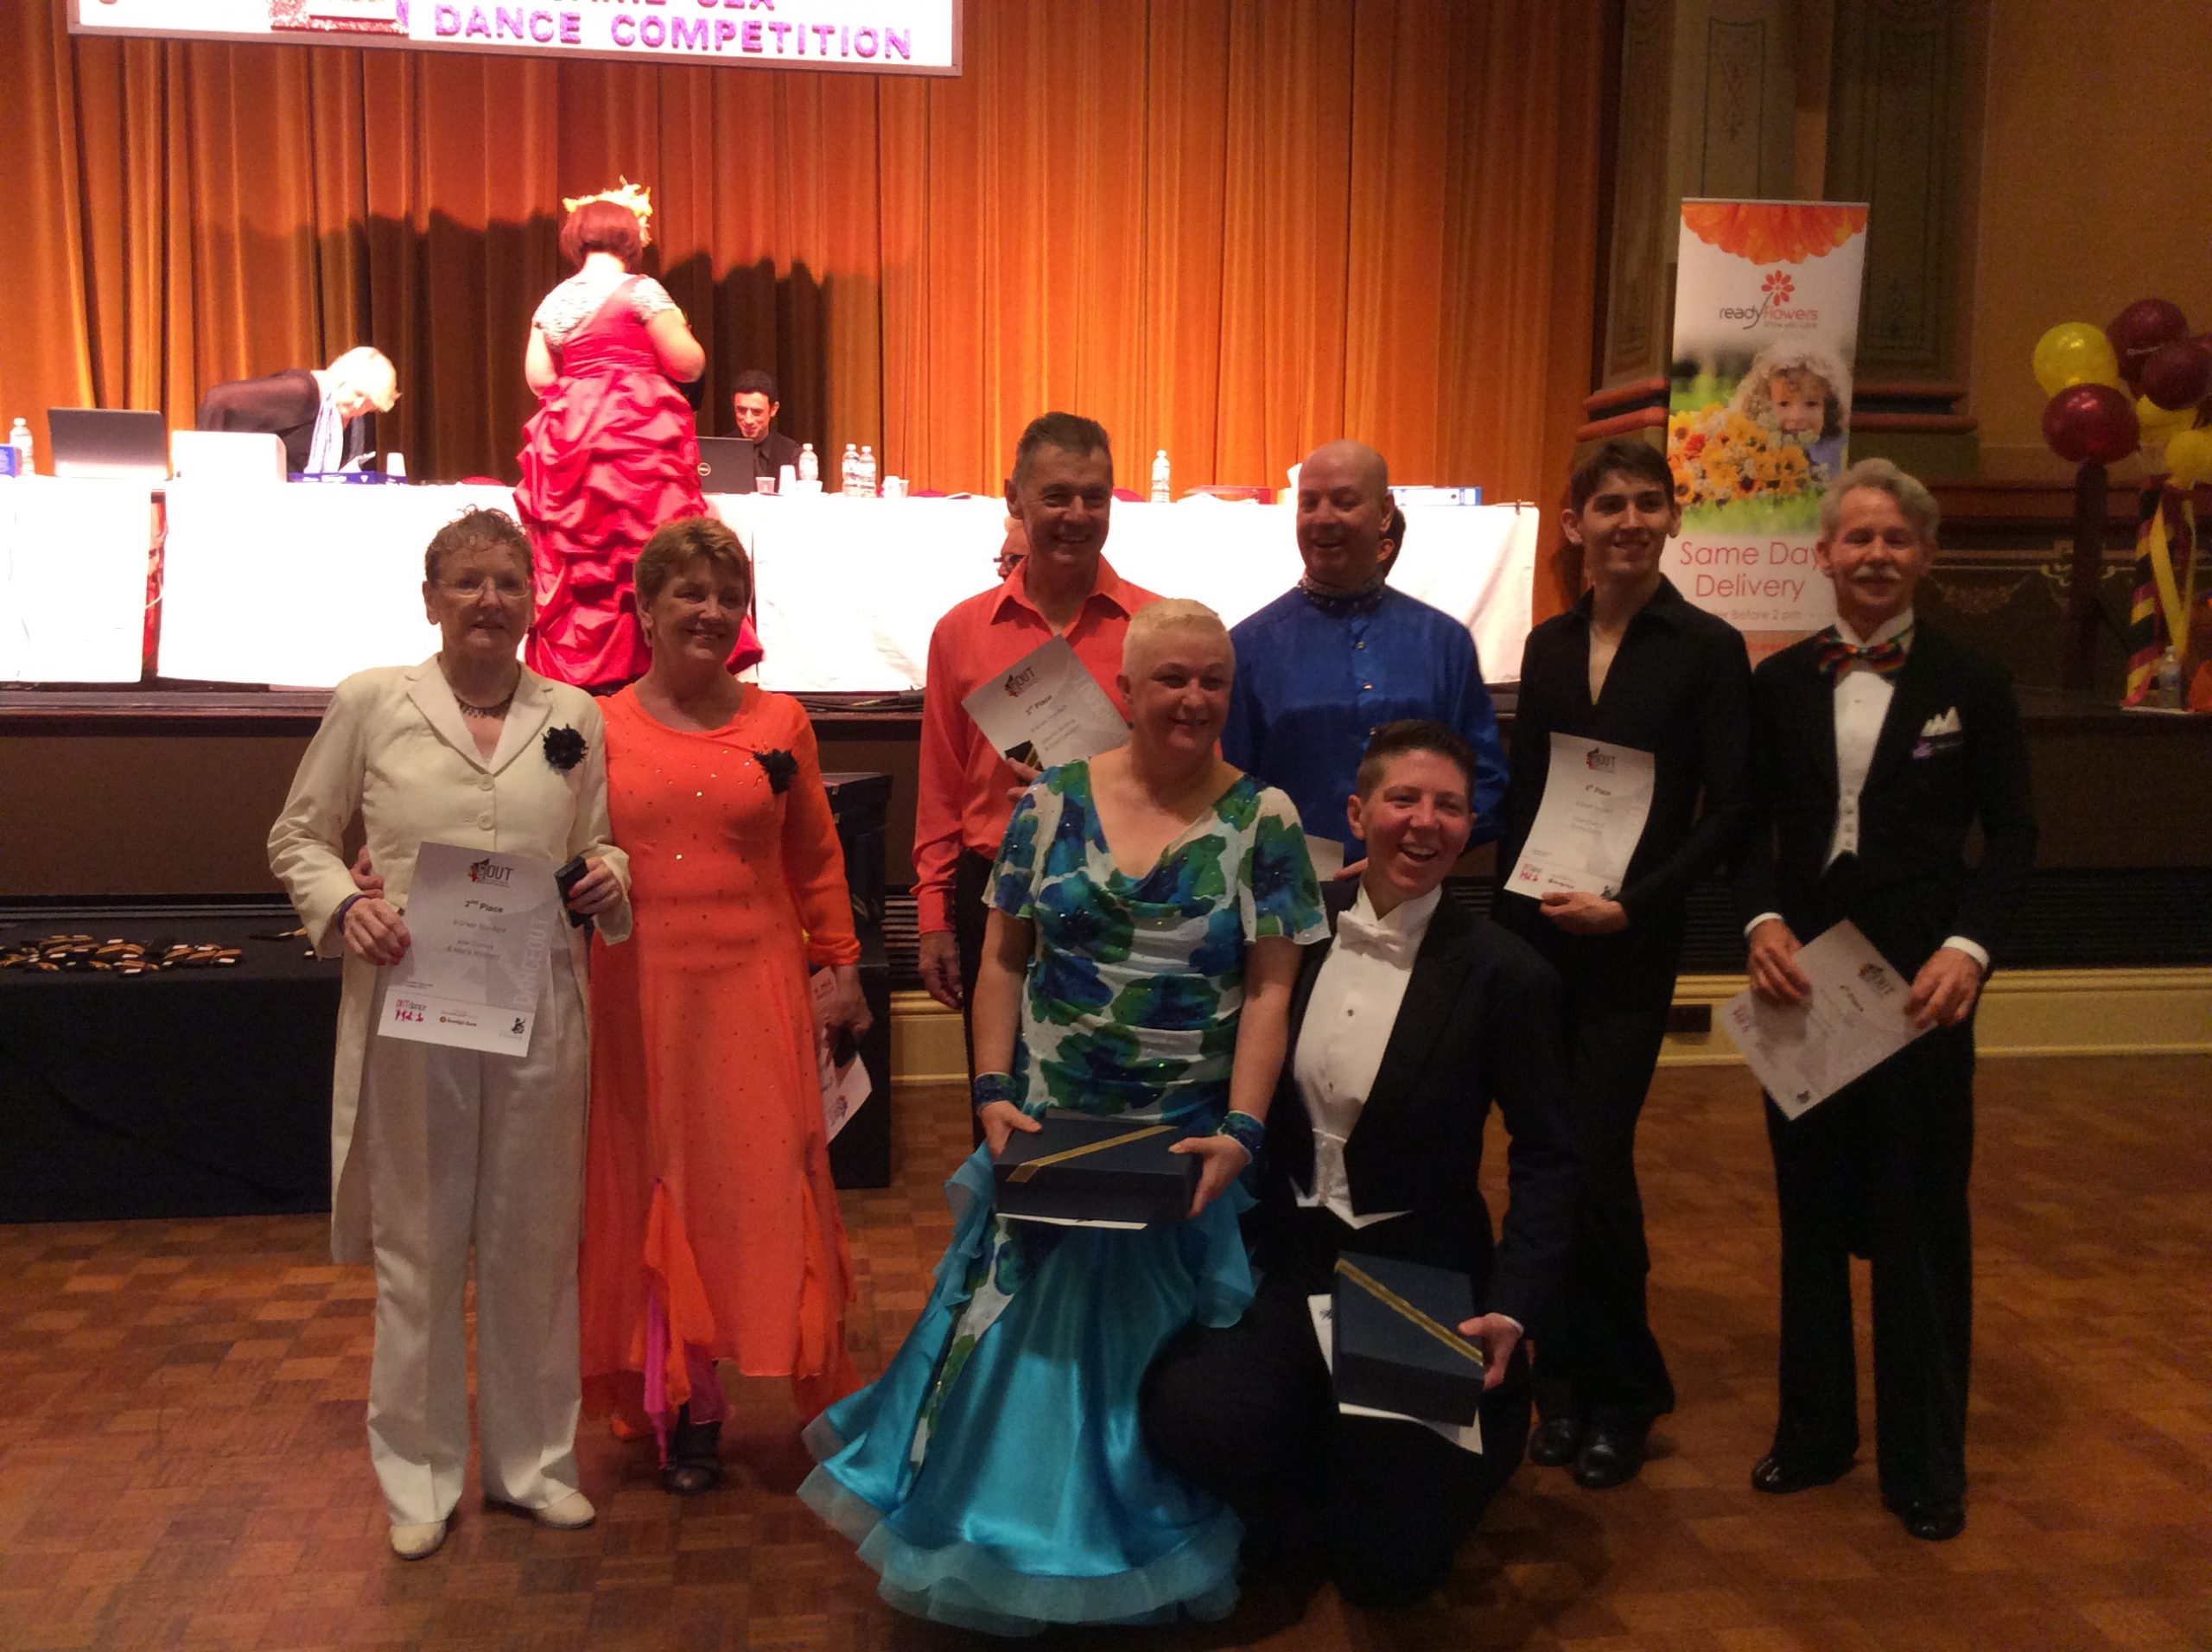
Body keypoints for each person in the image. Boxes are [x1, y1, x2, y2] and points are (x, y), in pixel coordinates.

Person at [801, 600, 1326, 1636]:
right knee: (1014, 1351)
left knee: (1143, 1366)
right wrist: (990, 1091)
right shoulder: (1049, 803)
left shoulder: (1263, 817)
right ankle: (1006, 1537)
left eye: (1212, 680)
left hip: (1179, 1152)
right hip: (1049, 1134)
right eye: (1170, 678)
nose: (1192, 698)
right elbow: (1003, 960)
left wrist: (1244, 1128)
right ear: (1123, 691)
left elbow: (1271, 990)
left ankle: (1118, 1542)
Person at [1142, 721, 1579, 1609]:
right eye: (1402, 799)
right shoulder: (1293, 941)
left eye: (1448, 806)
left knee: (1394, 1572)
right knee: (1191, 1410)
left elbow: (1550, 1156)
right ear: (1356, 814)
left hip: (1415, 1266)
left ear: (1469, 826)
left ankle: (1388, 1478)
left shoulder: (1509, 975)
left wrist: (1512, 1305)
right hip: (1293, 1250)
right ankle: (1312, 1495)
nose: (1424, 822)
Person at [266, 506, 632, 1560]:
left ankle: (535, 1466)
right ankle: (418, 1477)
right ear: (429, 599)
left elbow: (601, 841)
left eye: (508, 582)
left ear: (533, 601)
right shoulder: (372, 701)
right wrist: (346, 904)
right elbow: (298, 835)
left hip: (538, 1007)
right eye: (467, 581)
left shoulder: (574, 712)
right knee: (419, 1248)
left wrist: (609, 878)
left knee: (533, 1242)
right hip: (412, 1006)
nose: (488, 600)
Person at [1735, 459, 2035, 1541]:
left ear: (1926, 556)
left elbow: (2015, 835)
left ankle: (1924, 1464)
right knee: (1809, 1221)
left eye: (1894, 539)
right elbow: (1746, 829)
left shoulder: (1972, 677)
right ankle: (1814, 1434)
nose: (1874, 555)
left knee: (1921, 1226)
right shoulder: (1776, 682)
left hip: (1921, 993)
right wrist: (1759, 923)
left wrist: (1969, 949)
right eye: (1855, 538)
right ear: (1822, 554)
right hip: (1802, 984)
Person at [577, 515, 872, 1494]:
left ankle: (788, 1365)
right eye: (689, 594)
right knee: (660, 1175)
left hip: (755, 984)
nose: (710, 611)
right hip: (639, 989)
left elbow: (816, 857)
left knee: (759, 1175)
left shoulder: (781, 723)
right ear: (645, 607)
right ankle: (688, 1404)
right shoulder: (596, 726)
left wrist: (840, 964)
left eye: (727, 596)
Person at [1494, 438, 1753, 1489]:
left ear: (1673, 519)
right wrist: (1503, 934)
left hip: (1630, 946)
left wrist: (1631, 905)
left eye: (1650, 503)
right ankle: (1559, 1385)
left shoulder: (1708, 648)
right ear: (1575, 525)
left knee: (1596, 1162)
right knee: (1544, 1158)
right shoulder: (1549, 644)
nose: (1631, 520)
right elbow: (1526, 795)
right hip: (1538, 942)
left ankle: (1625, 1392)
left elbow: (1730, 812)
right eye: (1610, 504)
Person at [912, 412, 1159, 1083]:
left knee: (1111, 1091)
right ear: (1014, 499)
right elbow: (940, 788)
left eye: (1094, 497)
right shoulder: (961, 632)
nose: (1077, 515)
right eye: (1056, 496)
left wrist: (1102, 785)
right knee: (1000, 1095)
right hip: (994, 893)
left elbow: (1194, 779)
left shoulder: (1154, 627)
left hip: (1122, 887)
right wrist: (934, 919)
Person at [515, 181, 758, 691]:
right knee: (652, 547)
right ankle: (654, 673)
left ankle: (584, 676)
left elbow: (539, 378)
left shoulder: (554, 301)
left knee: (583, 558)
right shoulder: (643, 291)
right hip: (637, 428)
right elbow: (689, 364)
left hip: (573, 436)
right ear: (628, 237)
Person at [1223, 440, 1508, 867]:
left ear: (1385, 513)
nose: (1323, 519)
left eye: (1344, 502)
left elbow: (1484, 778)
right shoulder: (1248, 646)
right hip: (1291, 889)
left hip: (1418, 882)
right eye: (1309, 503)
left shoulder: (1444, 642)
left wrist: (1419, 852)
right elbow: (1230, 789)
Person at [194, 346, 397, 473]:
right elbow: (219, 398)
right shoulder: (302, 392)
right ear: (341, 378)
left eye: (370, 403)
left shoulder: (353, 423)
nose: (360, 406)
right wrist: (202, 468)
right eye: (358, 394)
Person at [1730, 344, 1851, 480]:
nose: (1797, 416)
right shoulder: (1750, 464)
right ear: (1763, 406)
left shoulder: (1834, 462)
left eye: (1811, 404)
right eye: (1784, 404)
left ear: (1828, 408)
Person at [726, 368, 802, 486]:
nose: (748, 420)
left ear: (773, 409)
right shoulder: (720, 452)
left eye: (757, 412)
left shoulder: (792, 453)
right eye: (741, 410)